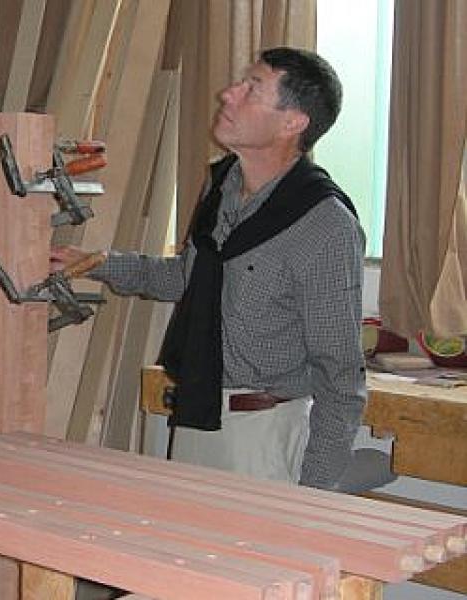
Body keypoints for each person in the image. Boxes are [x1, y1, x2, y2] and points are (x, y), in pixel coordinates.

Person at [52, 47, 365, 490]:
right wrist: (105, 264)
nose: (227, 94)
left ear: (293, 122)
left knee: (256, 559)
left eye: (252, 88)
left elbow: (340, 374)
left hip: (263, 433)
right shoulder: (221, 184)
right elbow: (194, 279)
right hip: (198, 413)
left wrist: (315, 491)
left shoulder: (323, 224)